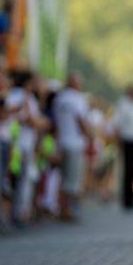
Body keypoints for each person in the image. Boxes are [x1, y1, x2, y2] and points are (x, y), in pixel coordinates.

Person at [52, 72, 92, 221]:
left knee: (62, 178)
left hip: (61, 142)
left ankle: (60, 208)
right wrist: (90, 136)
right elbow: (81, 120)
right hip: (74, 143)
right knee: (71, 179)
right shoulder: (77, 98)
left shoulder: (59, 98)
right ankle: (66, 211)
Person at [110, 85, 133, 209]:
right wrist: (118, 141)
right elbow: (117, 124)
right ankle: (126, 199)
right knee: (128, 170)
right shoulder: (123, 105)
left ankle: (132, 196)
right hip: (128, 140)